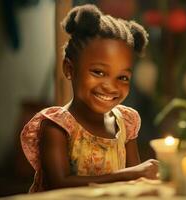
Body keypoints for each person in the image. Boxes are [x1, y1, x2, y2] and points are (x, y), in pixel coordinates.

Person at [20, 4, 158, 193]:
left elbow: (135, 182)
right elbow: (58, 184)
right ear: (69, 69)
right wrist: (131, 174)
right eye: (99, 72)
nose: (110, 86)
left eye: (123, 77)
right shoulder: (57, 126)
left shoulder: (126, 122)